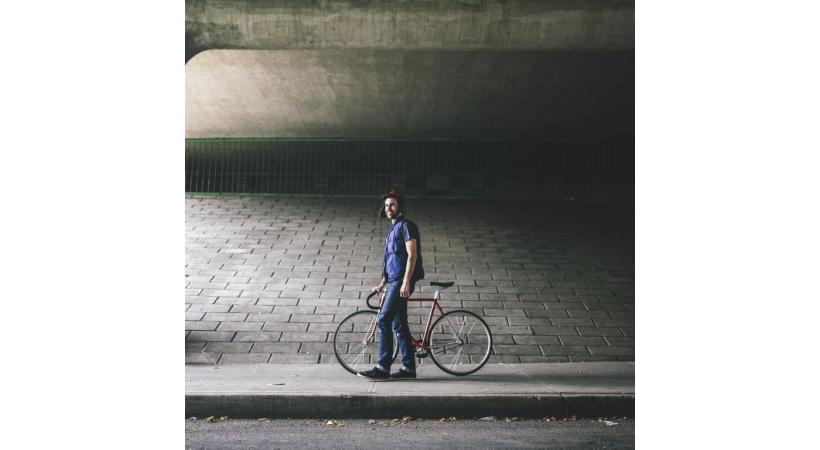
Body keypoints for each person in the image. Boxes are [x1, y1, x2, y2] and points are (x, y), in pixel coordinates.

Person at [358, 188, 425, 380]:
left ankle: (382, 367)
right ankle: (409, 369)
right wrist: (381, 283)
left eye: (392, 204)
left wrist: (406, 282)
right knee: (399, 325)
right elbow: (390, 260)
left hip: (401, 282)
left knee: (383, 320)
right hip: (394, 280)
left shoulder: (407, 226)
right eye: (386, 205)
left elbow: (412, 255)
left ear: (400, 206)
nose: (388, 208)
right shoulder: (392, 229)